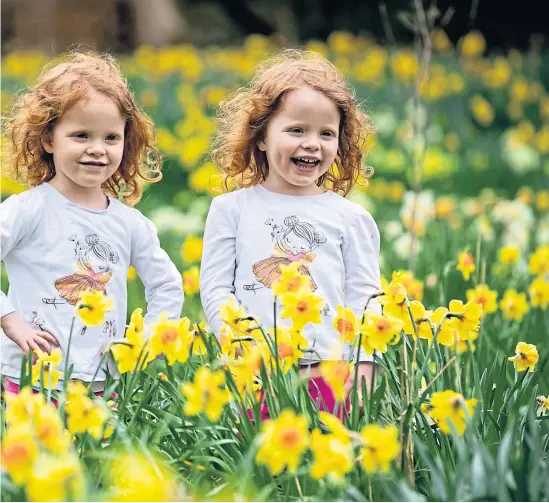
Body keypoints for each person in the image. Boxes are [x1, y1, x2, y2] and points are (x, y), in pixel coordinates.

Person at [200, 49, 381, 416]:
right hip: (254, 374)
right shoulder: (230, 210)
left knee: (325, 469)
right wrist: (236, 338)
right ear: (262, 137)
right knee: (257, 469)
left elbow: (366, 299)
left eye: (326, 133)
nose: (312, 143)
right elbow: (215, 287)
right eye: (296, 130)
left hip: (327, 374)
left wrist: (365, 368)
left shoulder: (350, 218)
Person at [1, 52, 184, 394]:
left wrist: (145, 340)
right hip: (32, 377)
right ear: (48, 139)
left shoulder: (129, 223)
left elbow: (167, 285)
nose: (98, 149)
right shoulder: (28, 209)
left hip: (104, 382)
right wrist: (11, 323)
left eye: (111, 138)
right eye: (82, 135)